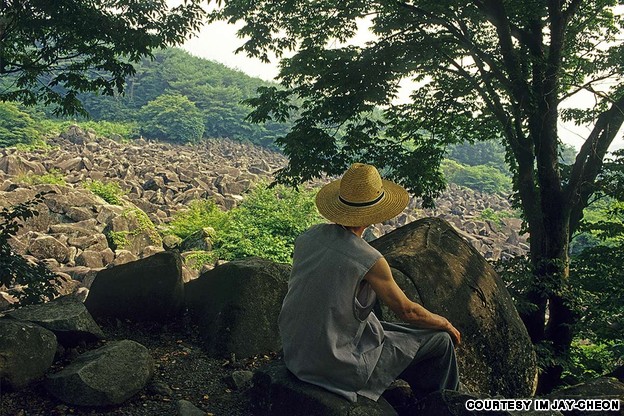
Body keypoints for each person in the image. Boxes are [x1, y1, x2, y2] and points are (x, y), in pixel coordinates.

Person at [278, 163, 461, 403]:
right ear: (375, 212)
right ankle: (446, 406)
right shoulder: (369, 258)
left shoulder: (308, 237)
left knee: (384, 329)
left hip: (296, 352)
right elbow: (407, 311)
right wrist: (445, 323)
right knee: (441, 341)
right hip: (333, 364)